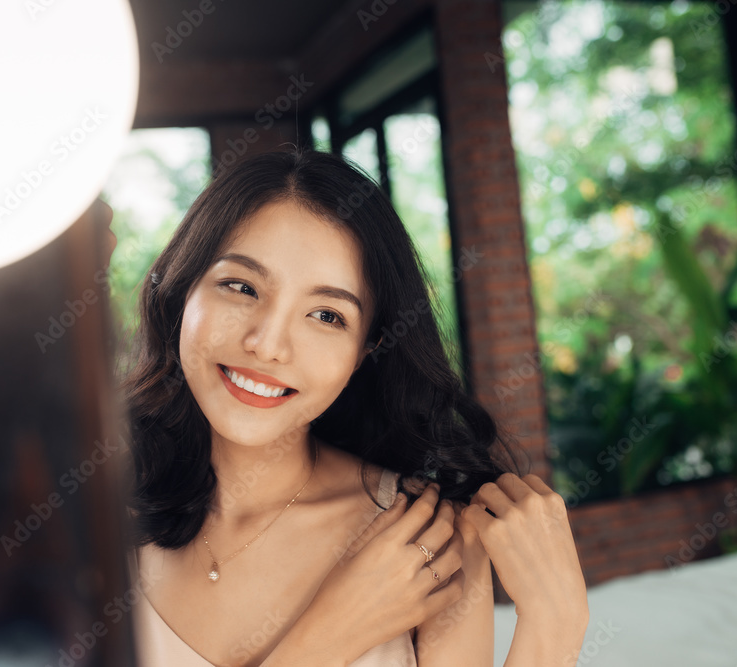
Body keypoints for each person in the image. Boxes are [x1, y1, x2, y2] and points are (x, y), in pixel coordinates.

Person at [122, 149, 588, 666]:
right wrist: (322, 641)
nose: (268, 344)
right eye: (241, 286)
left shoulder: (423, 536)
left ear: (367, 349)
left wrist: (557, 622)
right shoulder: (88, 514)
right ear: (182, 290)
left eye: (326, 315)